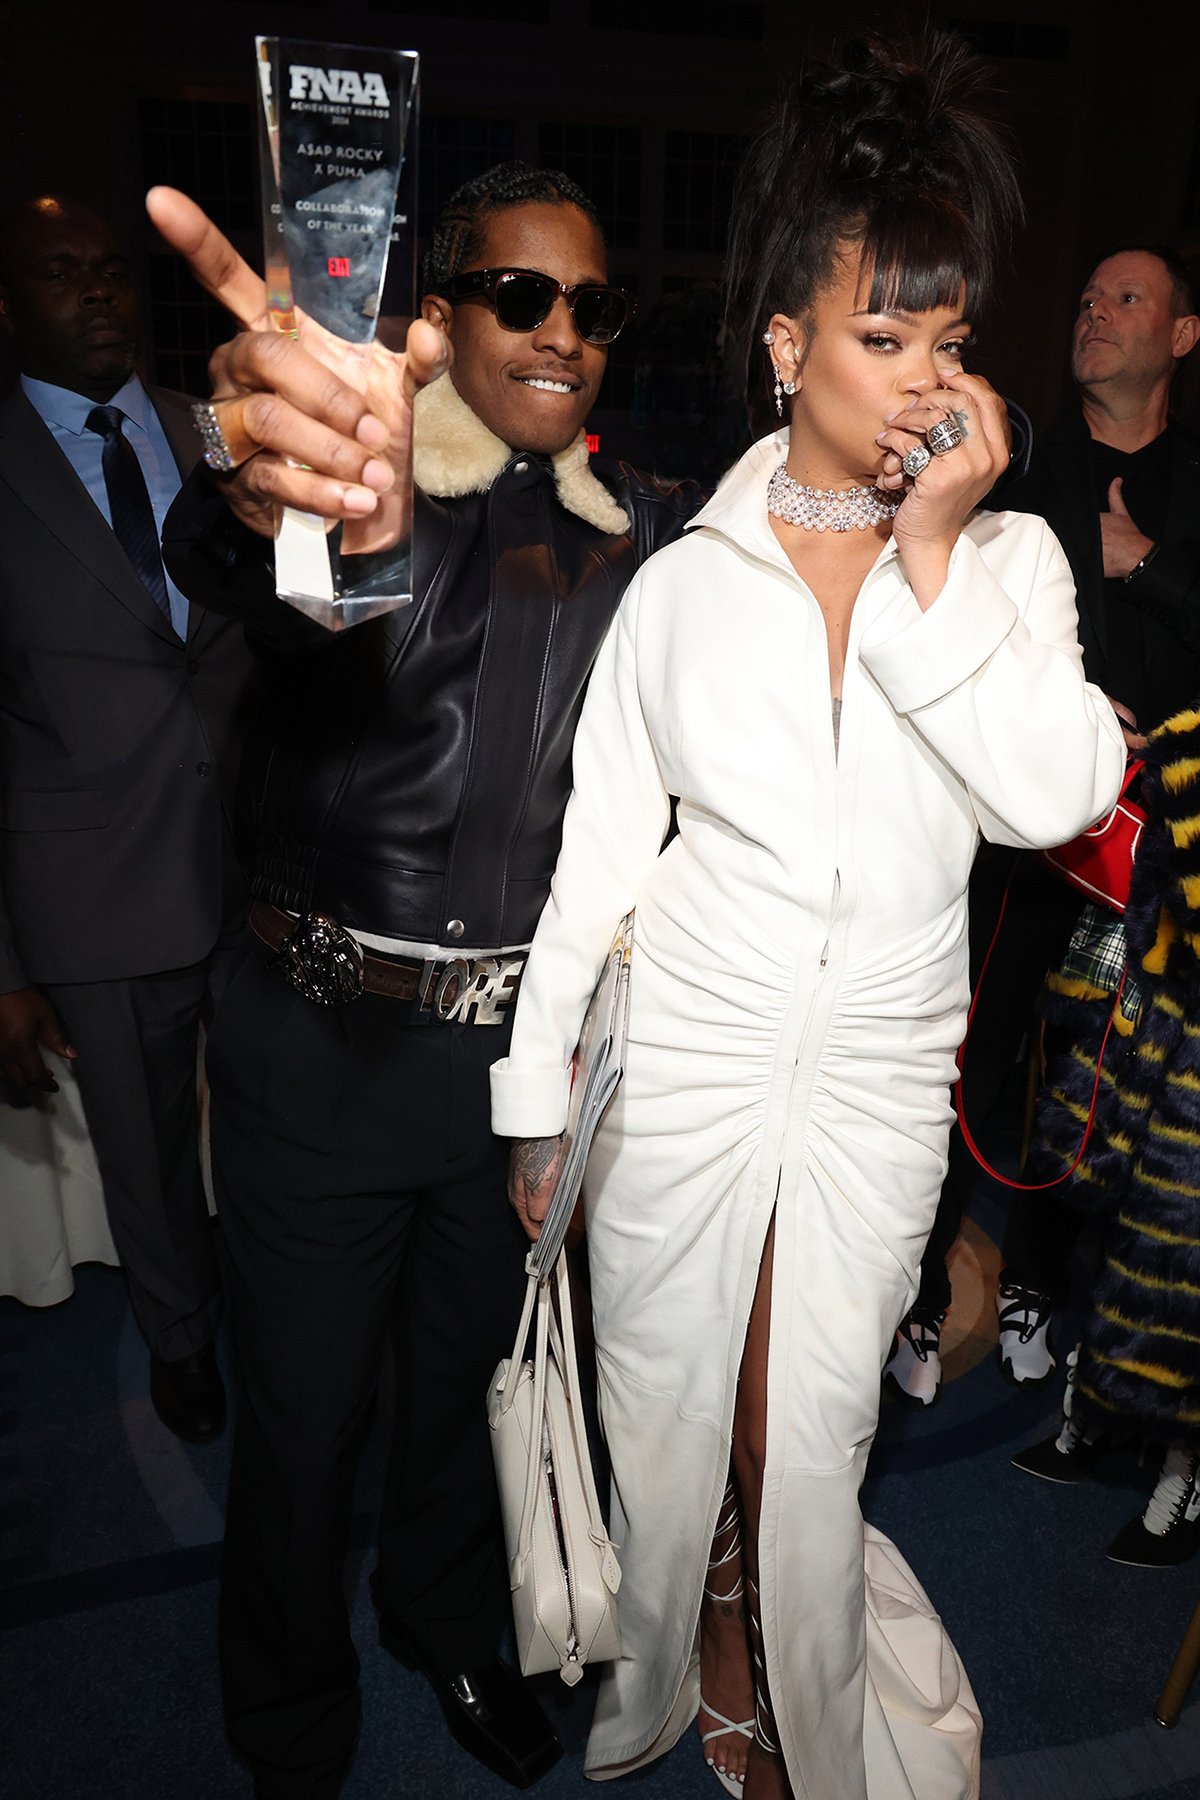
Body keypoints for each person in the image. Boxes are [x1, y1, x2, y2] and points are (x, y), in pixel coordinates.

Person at [491, 36, 1125, 1800]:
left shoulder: (1003, 564)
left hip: (873, 1076)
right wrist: (536, 1103)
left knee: (811, 1431)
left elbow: (1062, 793)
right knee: (677, 1410)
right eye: (883, 333)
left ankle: (808, 1711)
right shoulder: (682, 582)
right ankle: (694, 1642)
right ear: (789, 344)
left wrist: (931, 564)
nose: (928, 375)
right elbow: (601, 859)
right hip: (685, 1055)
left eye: (949, 339)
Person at [151, 164, 700, 1798]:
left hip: (516, 1072)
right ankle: (289, 1705)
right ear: (441, 316)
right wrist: (279, 494)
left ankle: (446, 1623)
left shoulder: (640, 533)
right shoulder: (359, 489)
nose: (565, 332)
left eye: (595, 308)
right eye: (522, 296)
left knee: (473, 1397)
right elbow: (256, 562)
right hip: (318, 1058)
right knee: (306, 1430)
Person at [885, 241, 1200, 1404]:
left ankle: (1040, 1288)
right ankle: (916, 1299)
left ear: (1180, 338)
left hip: (1159, 856)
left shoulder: (1194, 482)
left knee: (1114, 1088)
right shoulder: (1012, 470)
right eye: (1086, 295)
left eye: (1126, 297)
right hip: (1018, 835)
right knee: (970, 1055)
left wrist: (1149, 568)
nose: (1094, 311)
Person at [0, 195, 256, 1441]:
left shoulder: (204, 432)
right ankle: (181, 1339)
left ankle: (282, 1310)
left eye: (111, 269)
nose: (98, 291)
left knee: (278, 1119)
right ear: (9, 303)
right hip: (91, 891)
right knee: (147, 1158)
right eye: (61, 272)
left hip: (259, 866)